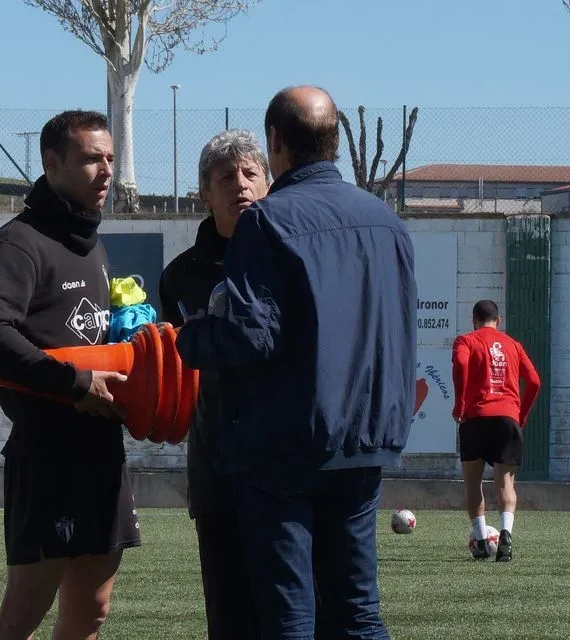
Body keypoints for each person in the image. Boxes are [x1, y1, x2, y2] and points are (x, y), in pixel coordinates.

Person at [176, 86, 418, 640]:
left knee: (289, 617)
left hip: (284, 443)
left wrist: (192, 338)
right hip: (363, 440)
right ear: (336, 139)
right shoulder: (386, 220)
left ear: (275, 141)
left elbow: (251, 336)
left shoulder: (267, 221)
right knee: (358, 610)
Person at [0, 109, 140, 640]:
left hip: (101, 451)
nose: (105, 170)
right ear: (52, 162)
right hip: (47, 455)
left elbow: (83, 340)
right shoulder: (21, 242)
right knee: (22, 618)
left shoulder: (94, 244)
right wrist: (75, 384)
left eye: (110, 158)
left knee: (93, 609)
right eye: (90, 159)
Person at [159, 129, 271, 640]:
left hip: (286, 466)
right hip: (216, 468)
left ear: (268, 183)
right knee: (227, 619)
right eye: (226, 177)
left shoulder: (290, 260)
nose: (240, 186)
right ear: (205, 193)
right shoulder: (179, 276)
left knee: (292, 615)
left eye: (251, 174)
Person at [451, 299, 541, 563]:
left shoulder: (465, 341)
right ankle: (506, 535)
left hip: (475, 417)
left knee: (472, 481)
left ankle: (480, 539)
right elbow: (534, 381)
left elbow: (461, 364)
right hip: (507, 418)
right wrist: (520, 415)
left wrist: (460, 404)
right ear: (498, 321)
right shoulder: (513, 345)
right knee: (505, 483)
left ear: (473, 320)